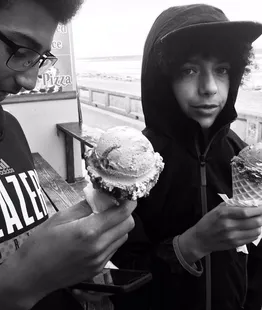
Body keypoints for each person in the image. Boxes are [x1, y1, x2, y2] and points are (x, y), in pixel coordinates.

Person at [0, 1, 137, 310]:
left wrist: (67, 275)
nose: (29, 81)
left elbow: (22, 241)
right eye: (20, 49)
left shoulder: (10, 128)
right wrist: (29, 281)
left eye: (39, 59)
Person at [111, 4, 262, 310]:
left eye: (221, 70)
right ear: (162, 78)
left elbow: (255, 258)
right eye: (189, 70)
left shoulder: (242, 157)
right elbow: (123, 273)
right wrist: (191, 244)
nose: (209, 88)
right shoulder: (134, 164)